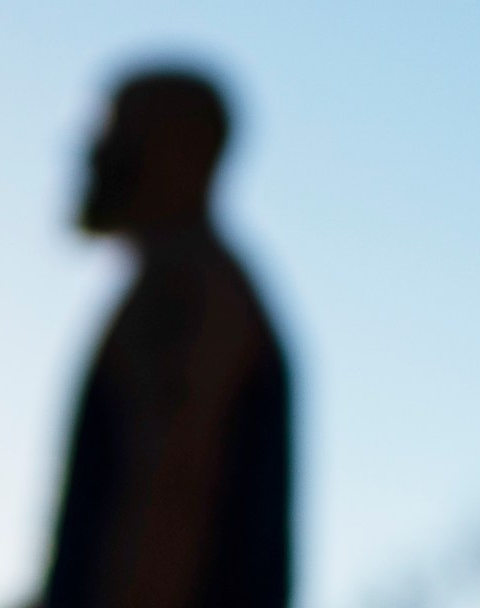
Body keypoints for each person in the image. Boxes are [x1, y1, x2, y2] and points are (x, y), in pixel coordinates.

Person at [40, 69, 292, 608]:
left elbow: (169, 500)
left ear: (186, 149)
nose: (93, 156)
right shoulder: (190, 285)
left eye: (115, 132)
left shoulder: (189, 292)